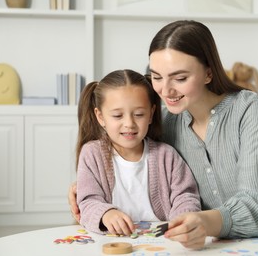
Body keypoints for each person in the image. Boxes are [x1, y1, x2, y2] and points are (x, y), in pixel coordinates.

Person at [69, 20, 258, 255]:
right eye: (156, 77)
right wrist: (87, 190)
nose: (165, 90)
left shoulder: (249, 108)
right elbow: (131, 156)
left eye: (179, 77)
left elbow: (257, 207)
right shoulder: (167, 122)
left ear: (208, 73)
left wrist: (204, 222)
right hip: (244, 245)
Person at [75, 69, 201, 235]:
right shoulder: (92, 154)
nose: (129, 123)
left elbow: (185, 195)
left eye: (139, 114)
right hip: (110, 242)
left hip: (165, 240)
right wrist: (106, 214)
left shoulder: (166, 155)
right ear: (100, 117)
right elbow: (88, 200)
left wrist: (182, 220)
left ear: (151, 114)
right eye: (118, 115)